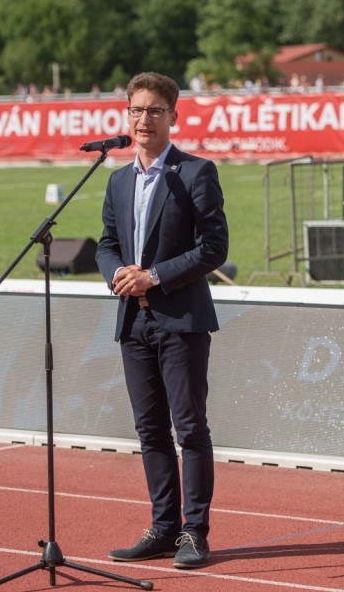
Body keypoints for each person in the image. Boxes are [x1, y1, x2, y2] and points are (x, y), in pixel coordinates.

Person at [95, 71, 229, 569]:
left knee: (189, 428)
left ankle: (195, 531)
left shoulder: (195, 172)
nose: (144, 119)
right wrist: (118, 275)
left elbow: (213, 248)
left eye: (154, 111)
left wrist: (152, 276)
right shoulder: (117, 179)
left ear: (173, 116)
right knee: (149, 430)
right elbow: (107, 244)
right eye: (136, 110)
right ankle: (163, 527)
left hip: (182, 321)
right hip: (133, 322)